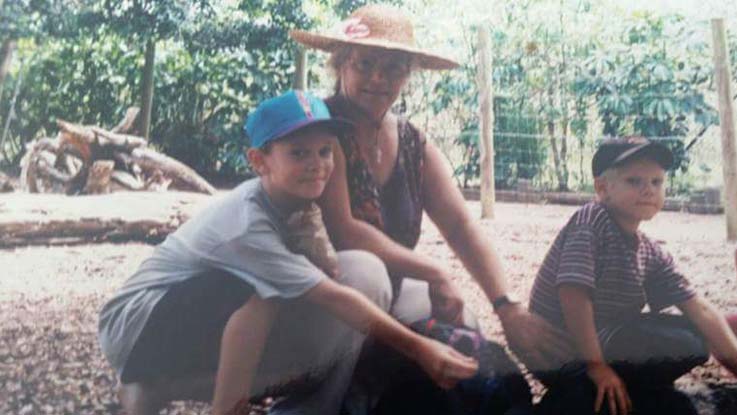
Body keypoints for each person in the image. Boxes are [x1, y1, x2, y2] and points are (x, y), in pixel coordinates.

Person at [97, 90, 478, 415]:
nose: (317, 166)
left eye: (325, 151)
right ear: (259, 161)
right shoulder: (248, 221)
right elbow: (333, 295)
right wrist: (419, 348)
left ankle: (154, 390)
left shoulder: (290, 203)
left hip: (178, 317)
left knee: (300, 313)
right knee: (269, 294)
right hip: (137, 324)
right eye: (299, 153)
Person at [289, 2, 569, 370]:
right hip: (304, 295)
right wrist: (434, 271)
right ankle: (310, 405)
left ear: (408, 76)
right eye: (365, 64)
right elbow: (345, 232)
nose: (378, 79)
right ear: (341, 63)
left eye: (393, 68)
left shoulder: (411, 142)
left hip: (386, 292)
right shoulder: (321, 128)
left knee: (461, 321)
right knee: (365, 271)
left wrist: (506, 306)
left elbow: (460, 226)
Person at [527, 136, 737, 415]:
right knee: (686, 343)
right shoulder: (591, 221)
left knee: (694, 338)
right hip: (562, 350)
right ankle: (583, 390)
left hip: (606, 338)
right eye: (634, 181)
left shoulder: (649, 251)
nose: (648, 190)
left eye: (656, 182)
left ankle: (629, 392)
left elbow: (699, 308)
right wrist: (597, 367)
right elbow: (573, 295)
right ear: (603, 188)